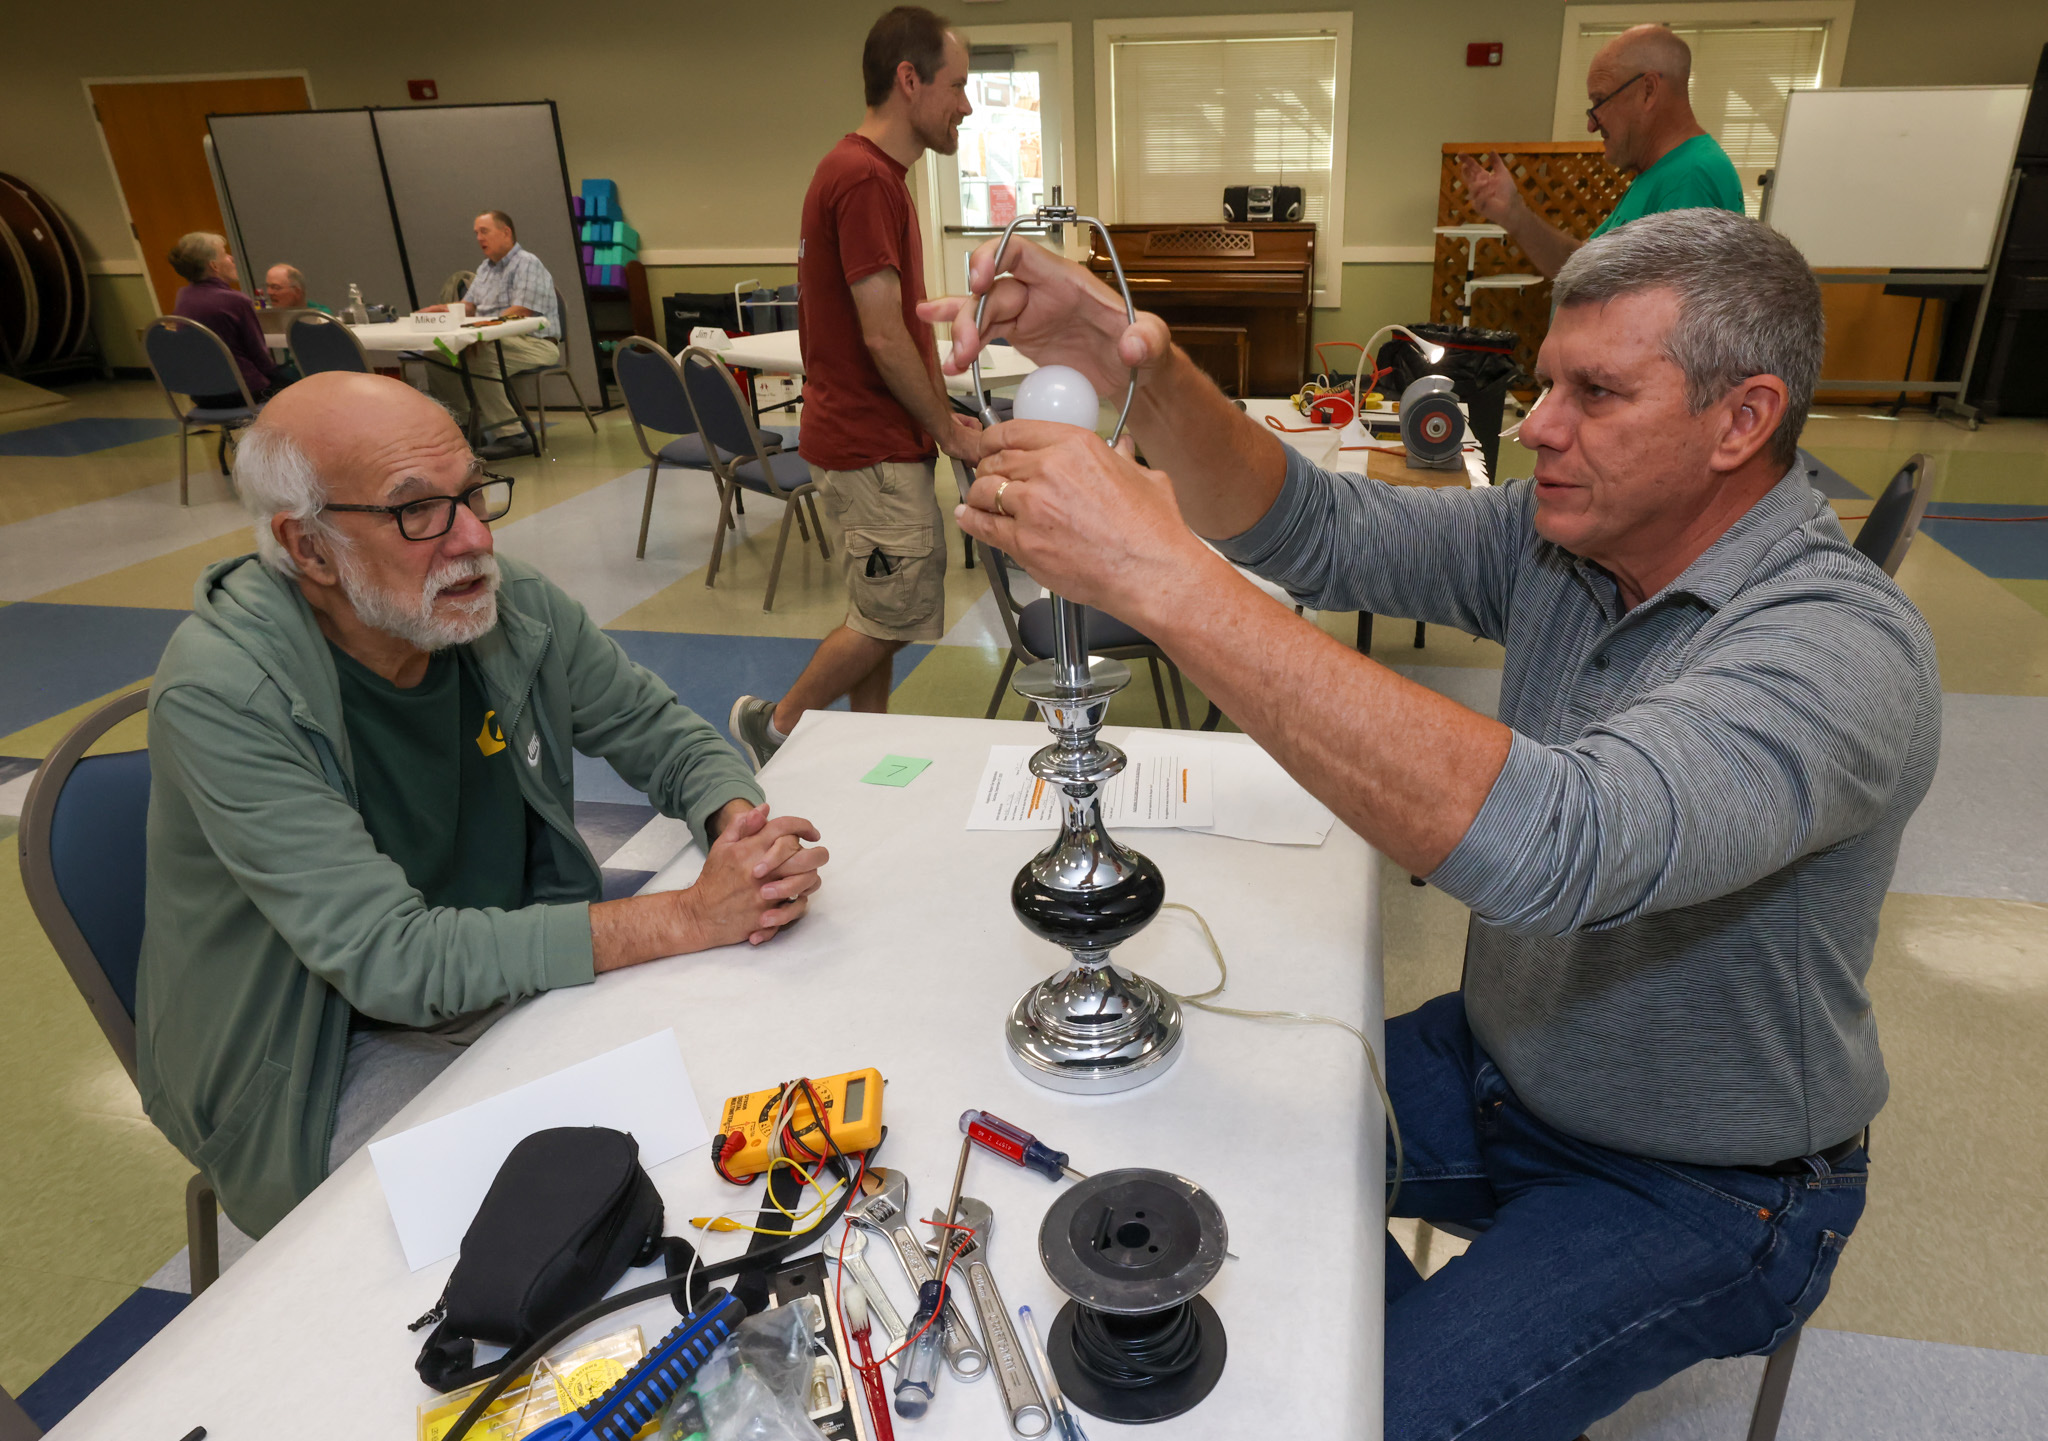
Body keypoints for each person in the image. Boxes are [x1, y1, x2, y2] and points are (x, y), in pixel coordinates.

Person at [927, 207, 1940, 1438]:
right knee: (1175, 1156)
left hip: (1703, 1182)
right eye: (1547, 382)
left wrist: (1158, 576)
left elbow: (1558, 845)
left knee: (1358, 1411)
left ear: (1741, 420)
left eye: (1595, 393)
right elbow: (1312, 526)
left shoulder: (1839, 650)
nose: (1538, 425)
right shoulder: (1571, 540)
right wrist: (1132, 360)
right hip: (1503, 1063)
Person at [138, 372, 828, 1237]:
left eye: (471, 493)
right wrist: (688, 915)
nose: (472, 537)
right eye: (416, 510)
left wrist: (740, 831)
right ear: (308, 548)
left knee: (723, 1092)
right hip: (316, 1053)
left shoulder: (505, 606)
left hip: (497, 979)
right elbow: (391, 958)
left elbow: (661, 732)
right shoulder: (225, 692)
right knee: (567, 1217)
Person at [726, 6, 982, 770]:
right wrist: (950, 430)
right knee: (893, 612)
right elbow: (882, 335)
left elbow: (892, 323)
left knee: (878, 606)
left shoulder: (867, 173)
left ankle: (871, 744)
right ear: (910, 80)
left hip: (862, 438)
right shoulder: (866, 179)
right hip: (871, 446)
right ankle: (776, 724)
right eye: (956, 85)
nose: (966, 105)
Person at [1460, 25, 1745, 279]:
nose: (1591, 124)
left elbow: (1668, 315)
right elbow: (1580, 269)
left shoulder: (1690, 176)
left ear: (1648, 90)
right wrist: (1515, 216)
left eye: (1599, 101)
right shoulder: (1659, 174)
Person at [420, 210, 562, 459]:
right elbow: (469, 306)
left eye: (484, 231)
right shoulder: (485, 269)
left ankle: (512, 435)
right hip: (494, 339)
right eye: (476, 233)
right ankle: (464, 427)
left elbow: (521, 311)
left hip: (535, 343)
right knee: (437, 354)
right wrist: (443, 309)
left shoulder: (527, 263)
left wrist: (484, 334)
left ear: (506, 232)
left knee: (481, 354)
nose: (479, 238)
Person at [168, 232, 296, 405]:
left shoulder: (183, 296)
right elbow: (260, 357)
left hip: (202, 394)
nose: (232, 258)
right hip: (243, 392)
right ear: (214, 265)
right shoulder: (236, 301)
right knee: (299, 384)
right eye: (225, 254)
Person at [263, 263, 331, 314]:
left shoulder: (320, 316)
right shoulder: (265, 316)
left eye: (275, 287)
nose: (269, 292)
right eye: (267, 286)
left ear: (297, 292)